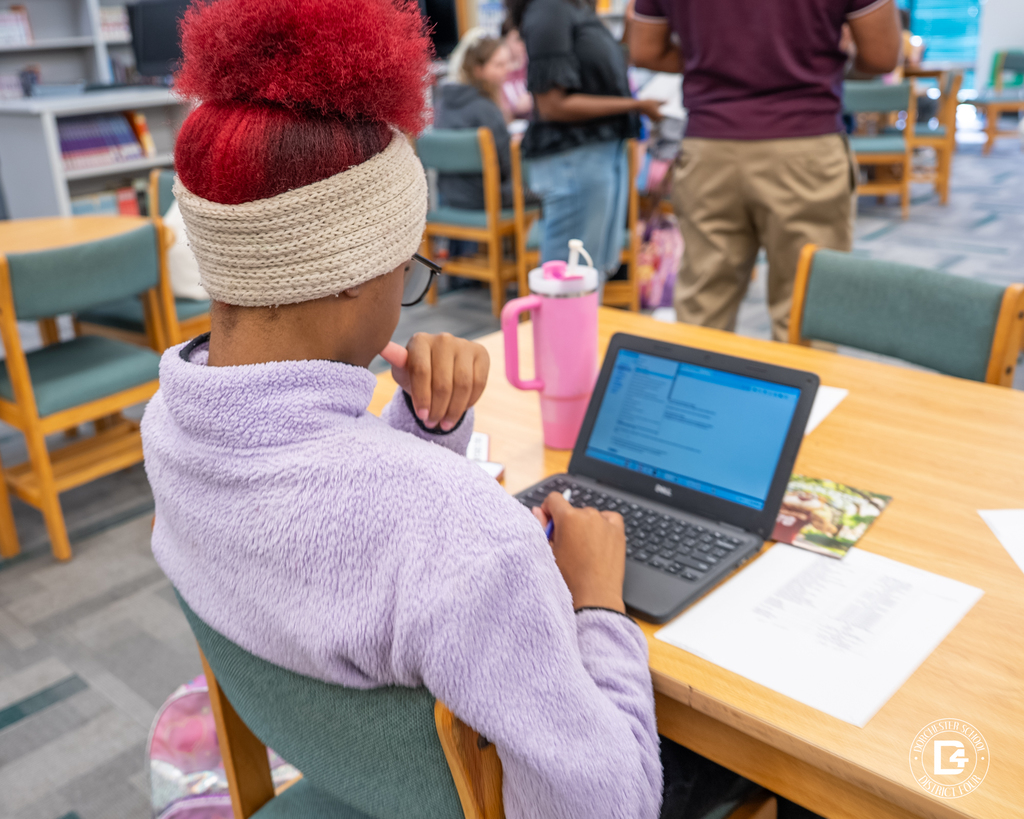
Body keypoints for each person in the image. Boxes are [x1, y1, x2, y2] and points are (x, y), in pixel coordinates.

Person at [145, 0, 665, 817]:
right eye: (407, 267)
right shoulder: (466, 534)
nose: (407, 293)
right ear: (354, 267)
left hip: (354, 781)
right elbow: (609, 807)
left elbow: (341, 543)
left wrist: (424, 432)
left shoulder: (169, 425)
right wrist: (598, 601)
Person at [629, 0, 902, 341]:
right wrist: (823, 63)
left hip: (711, 147)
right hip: (804, 144)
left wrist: (716, 62)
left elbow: (644, 50)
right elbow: (883, 55)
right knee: (805, 311)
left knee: (702, 309)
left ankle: (693, 393)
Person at [509, 0, 663, 281]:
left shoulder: (575, 9)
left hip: (598, 155)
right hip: (574, 159)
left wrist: (630, 28)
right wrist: (635, 106)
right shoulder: (549, 9)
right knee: (569, 279)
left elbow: (601, 74)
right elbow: (552, 105)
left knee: (591, 273)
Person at [435, 31, 515, 210]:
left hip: (448, 198)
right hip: (485, 199)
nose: (507, 69)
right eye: (499, 65)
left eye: (507, 63)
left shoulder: (443, 103)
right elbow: (507, 167)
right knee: (546, 190)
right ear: (478, 70)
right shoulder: (486, 109)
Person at [500, 19, 533, 121]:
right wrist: (514, 108)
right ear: (505, 40)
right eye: (518, 39)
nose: (523, 43)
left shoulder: (531, 65)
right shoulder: (498, 70)